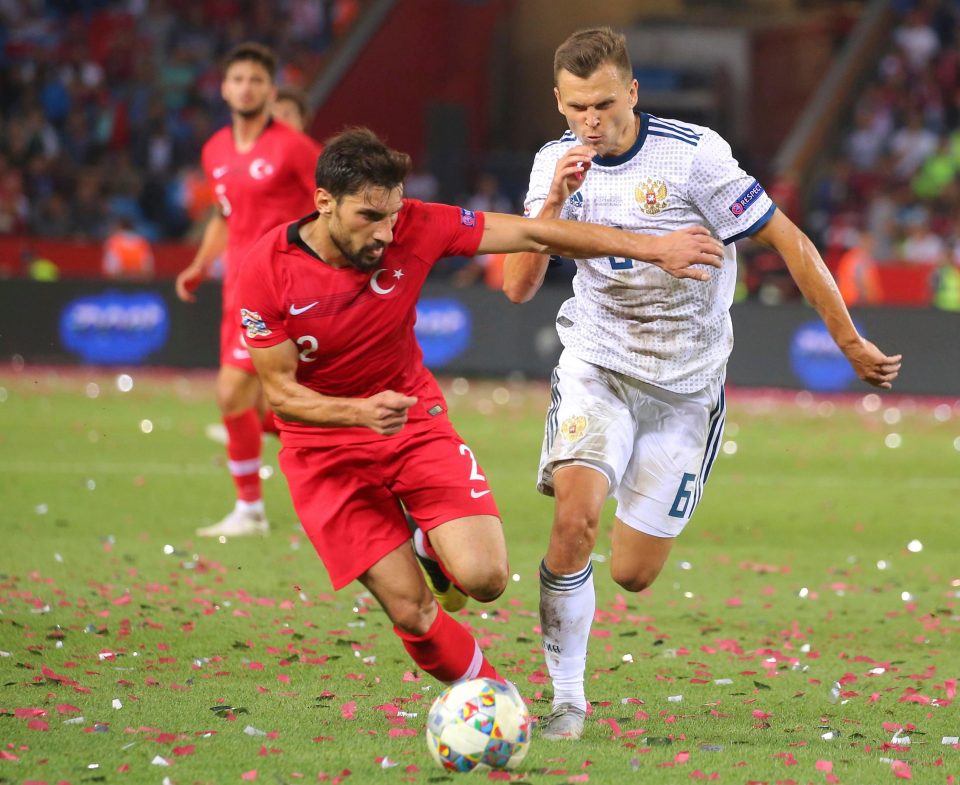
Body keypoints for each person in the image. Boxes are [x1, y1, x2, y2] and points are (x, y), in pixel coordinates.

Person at [502, 27, 903, 741]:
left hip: (686, 387)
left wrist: (848, 339)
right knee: (573, 521)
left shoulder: (694, 158)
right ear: (558, 101)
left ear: (631, 91)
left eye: (602, 105)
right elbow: (517, 286)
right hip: (597, 363)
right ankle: (566, 701)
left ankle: (633, 498)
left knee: (632, 571)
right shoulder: (552, 164)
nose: (589, 123)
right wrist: (553, 205)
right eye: (575, 108)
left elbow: (790, 241)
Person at [235, 126, 724, 686]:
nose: (386, 232)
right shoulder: (267, 269)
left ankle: (426, 540)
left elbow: (535, 233)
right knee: (413, 612)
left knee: (486, 579)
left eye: (392, 214)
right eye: (370, 217)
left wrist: (653, 248)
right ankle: (493, 699)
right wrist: (358, 414)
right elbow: (281, 395)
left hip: (411, 423)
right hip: (325, 452)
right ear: (324, 203)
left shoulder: (417, 226)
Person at [175, 43, 322, 538]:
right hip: (238, 286)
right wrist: (200, 264)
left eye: (256, 80)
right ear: (224, 88)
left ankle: (252, 508)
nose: (246, 88)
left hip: (288, 286)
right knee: (260, 400)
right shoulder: (214, 149)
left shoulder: (295, 148)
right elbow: (224, 214)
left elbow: (332, 204)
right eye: (237, 79)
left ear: (270, 89)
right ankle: (254, 507)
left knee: (236, 391)